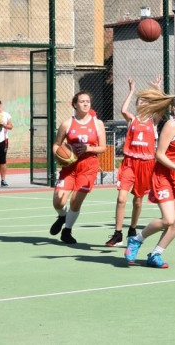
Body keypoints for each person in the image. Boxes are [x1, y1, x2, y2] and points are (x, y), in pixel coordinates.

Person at [125, 88, 175, 268]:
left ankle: (156, 254)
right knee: (168, 219)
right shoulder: (172, 125)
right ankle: (136, 239)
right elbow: (160, 155)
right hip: (164, 175)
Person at [49, 92, 106, 244]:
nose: (86, 104)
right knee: (58, 202)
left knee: (75, 201)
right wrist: (58, 155)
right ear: (75, 104)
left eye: (88, 101)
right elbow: (56, 144)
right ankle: (62, 216)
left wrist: (88, 148)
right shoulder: (67, 124)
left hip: (88, 167)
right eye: (82, 101)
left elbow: (103, 148)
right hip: (70, 167)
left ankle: (67, 231)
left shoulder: (97, 123)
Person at [106, 79, 157, 247]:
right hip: (129, 162)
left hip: (146, 164)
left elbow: (163, 106)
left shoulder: (153, 120)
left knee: (138, 201)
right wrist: (131, 90)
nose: (142, 103)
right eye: (139, 100)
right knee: (121, 198)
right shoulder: (132, 119)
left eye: (145, 101)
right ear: (136, 104)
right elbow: (122, 109)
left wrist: (156, 89)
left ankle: (132, 229)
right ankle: (117, 233)